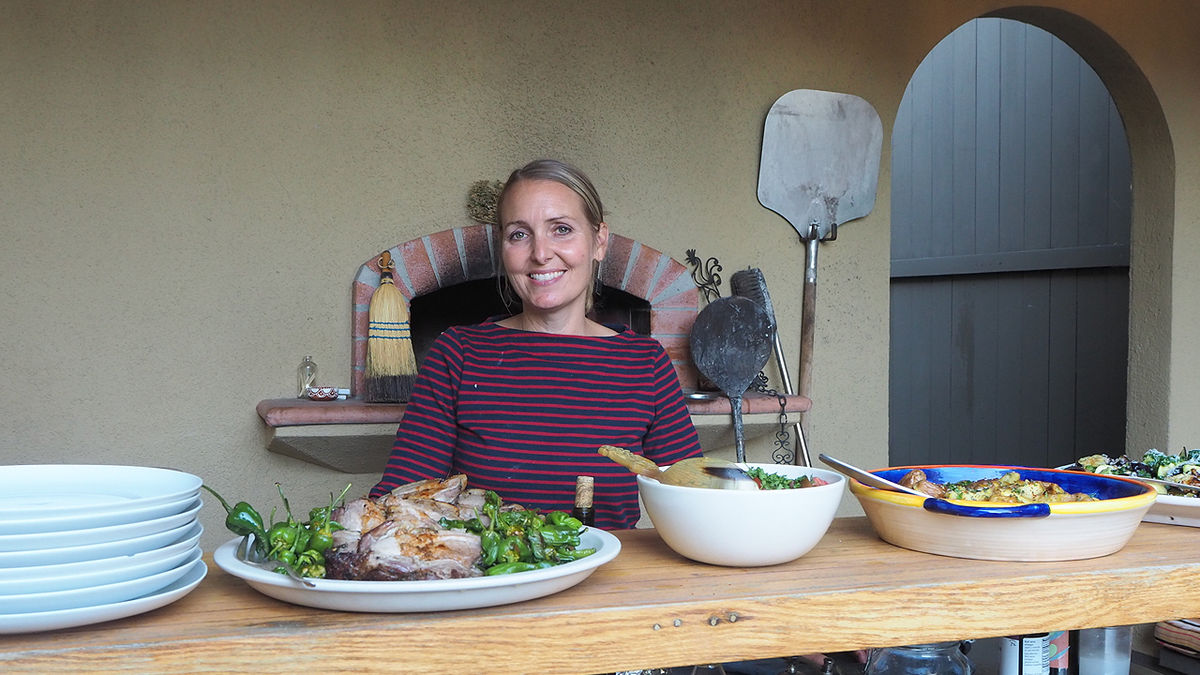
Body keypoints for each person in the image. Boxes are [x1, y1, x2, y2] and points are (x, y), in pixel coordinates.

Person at [370, 159, 703, 529]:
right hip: (494, 565)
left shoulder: (644, 363)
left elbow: (696, 502)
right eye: (519, 235)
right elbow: (399, 500)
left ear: (599, 241)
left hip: (611, 566)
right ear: (503, 248)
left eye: (561, 229)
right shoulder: (459, 354)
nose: (541, 253)